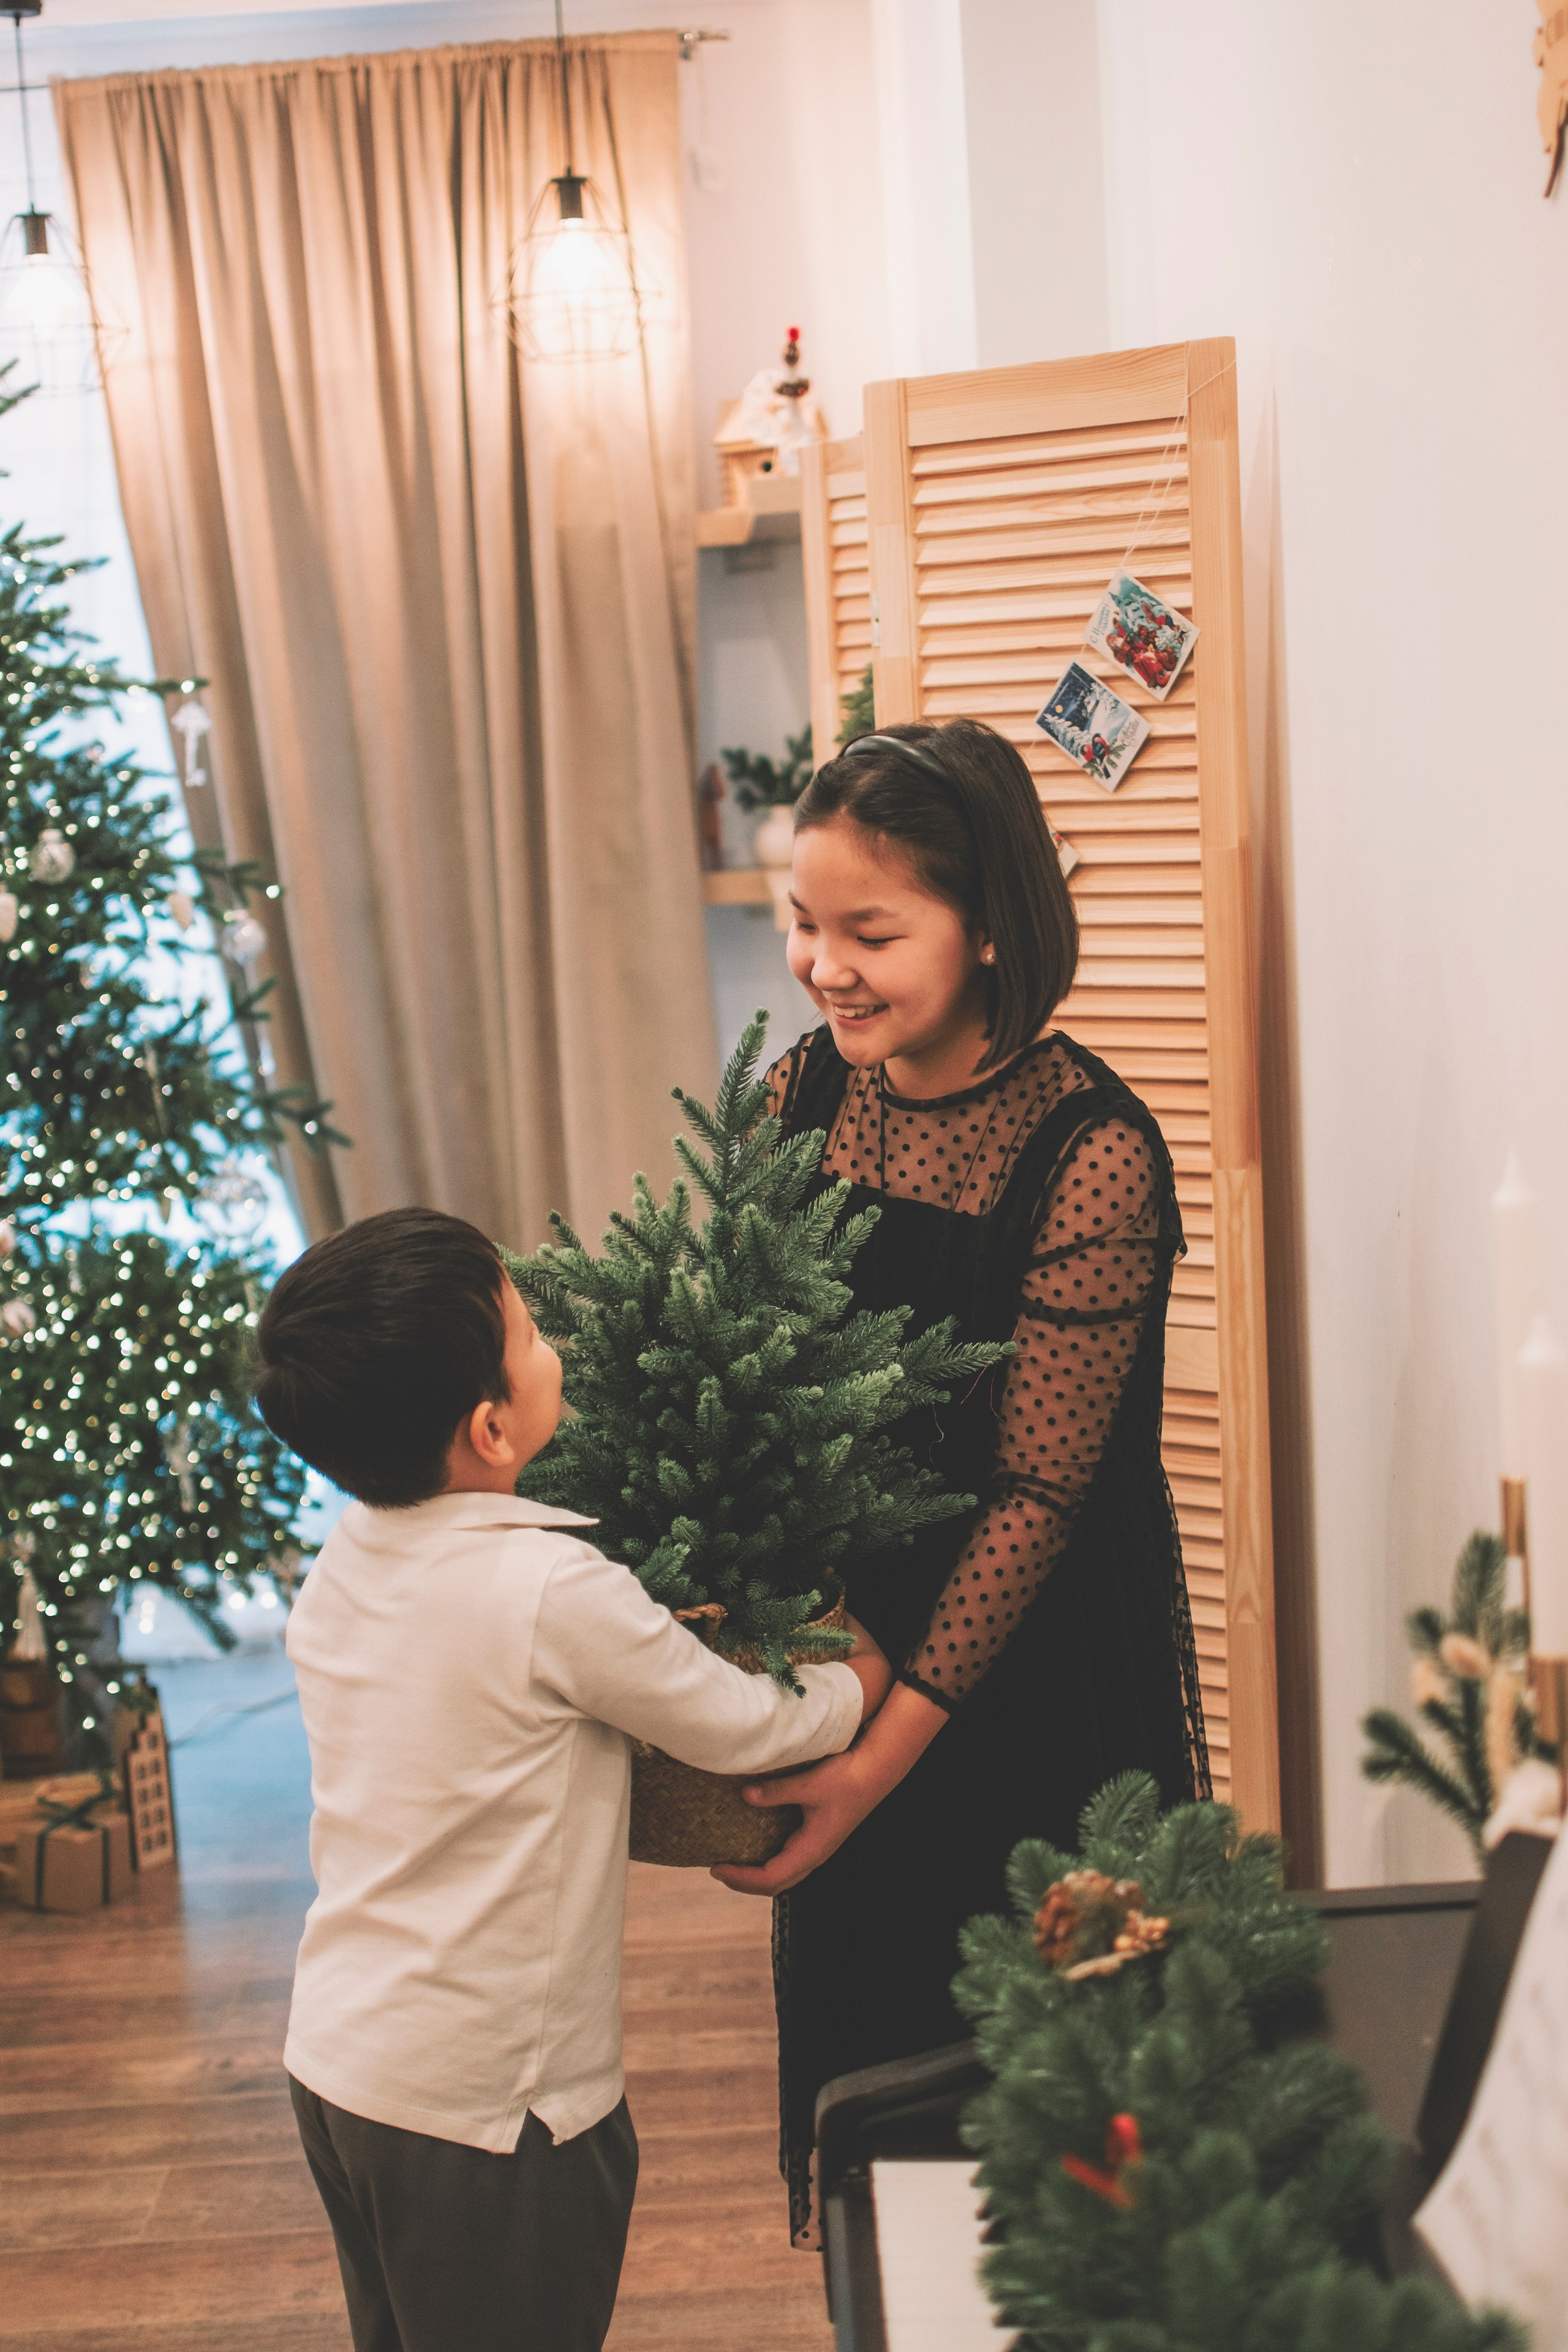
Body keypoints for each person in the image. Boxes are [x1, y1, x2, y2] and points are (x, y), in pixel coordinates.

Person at [710, 719, 1208, 2243]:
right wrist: (822, 1641)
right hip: (856, 1644)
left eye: (872, 931)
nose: (822, 965)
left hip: (1036, 1676)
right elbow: (761, 1385)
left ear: (988, 926)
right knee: (883, 2109)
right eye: (804, 923)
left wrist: (868, 1759)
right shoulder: (800, 1092)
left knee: (1060, 2127)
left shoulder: (1090, 1153)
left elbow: (1037, 1502)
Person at [253, 1207, 891, 2352]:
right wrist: (859, 1682)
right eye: (534, 1332)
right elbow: (738, 1725)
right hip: (497, 2114)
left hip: (341, 2064)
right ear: (493, 1428)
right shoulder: (550, 1589)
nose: (558, 1348)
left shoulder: (347, 1553)